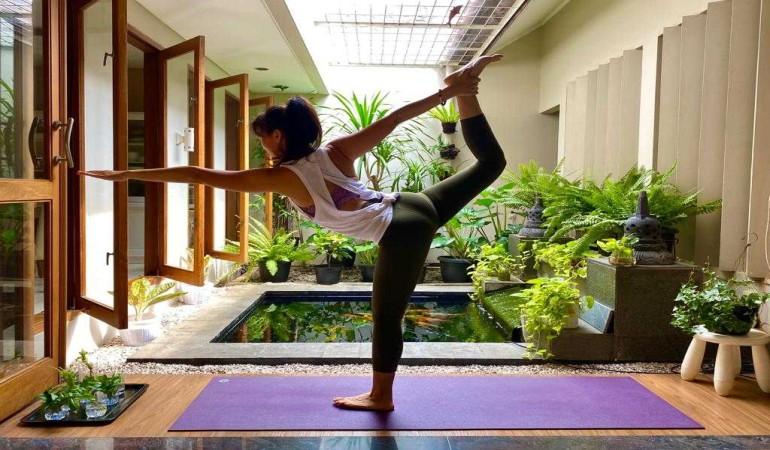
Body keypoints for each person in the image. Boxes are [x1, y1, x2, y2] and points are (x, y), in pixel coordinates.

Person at [82, 54, 506, 412]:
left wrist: (128, 174)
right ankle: (465, 90)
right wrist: (447, 94)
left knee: (386, 316)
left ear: (278, 135)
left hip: (401, 230)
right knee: (490, 164)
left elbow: (200, 174)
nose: (263, 146)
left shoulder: (283, 178)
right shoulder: (336, 150)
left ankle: (381, 397)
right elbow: (393, 119)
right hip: (415, 202)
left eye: (263, 138)